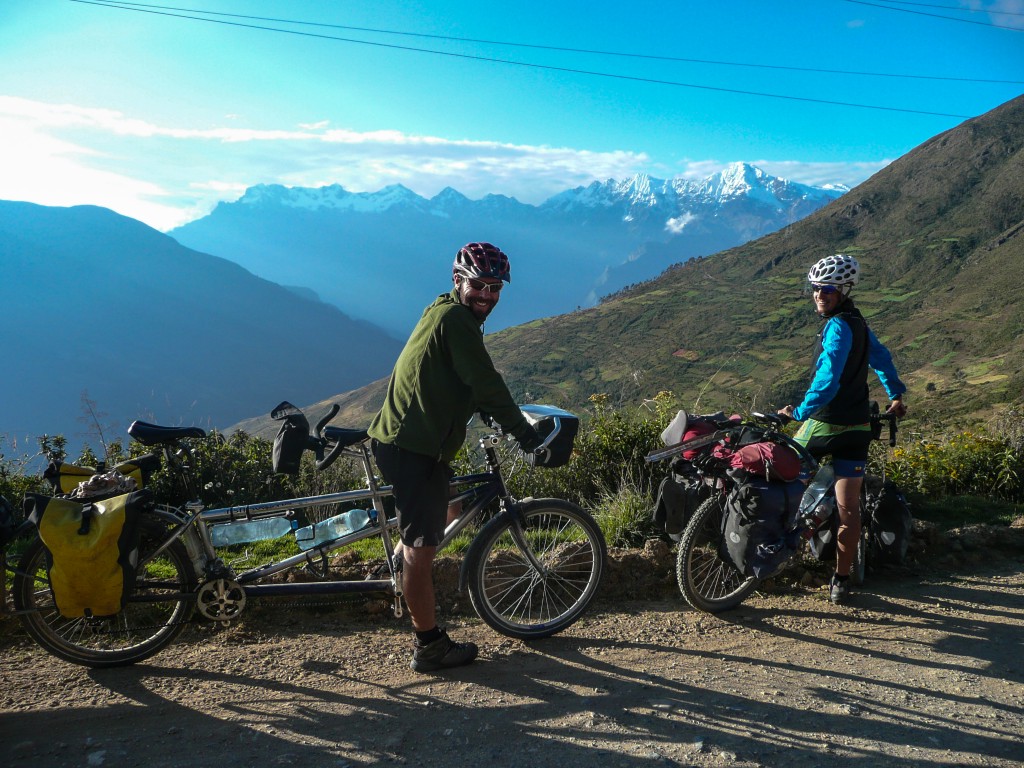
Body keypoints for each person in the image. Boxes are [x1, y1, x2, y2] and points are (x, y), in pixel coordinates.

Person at [367, 242, 543, 672]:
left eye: (495, 287)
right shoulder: (457, 321)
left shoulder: (445, 309)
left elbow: (463, 378)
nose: (487, 295)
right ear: (458, 280)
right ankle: (428, 644)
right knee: (421, 550)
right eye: (479, 285)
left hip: (409, 440)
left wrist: (481, 406)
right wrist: (524, 433)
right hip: (414, 447)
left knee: (452, 503)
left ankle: (406, 560)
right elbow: (484, 380)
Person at [778, 254, 908, 605]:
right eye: (816, 289)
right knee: (849, 508)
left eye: (828, 290)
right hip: (857, 429)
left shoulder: (837, 326)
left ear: (844, 290)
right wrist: (896, 394)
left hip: (824, 424)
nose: (820, 295)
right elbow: (881, 357)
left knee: (780, 469)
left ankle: (776, 544)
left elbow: (828, 379)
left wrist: (800, 412)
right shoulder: (860, 323)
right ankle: (840, 580)